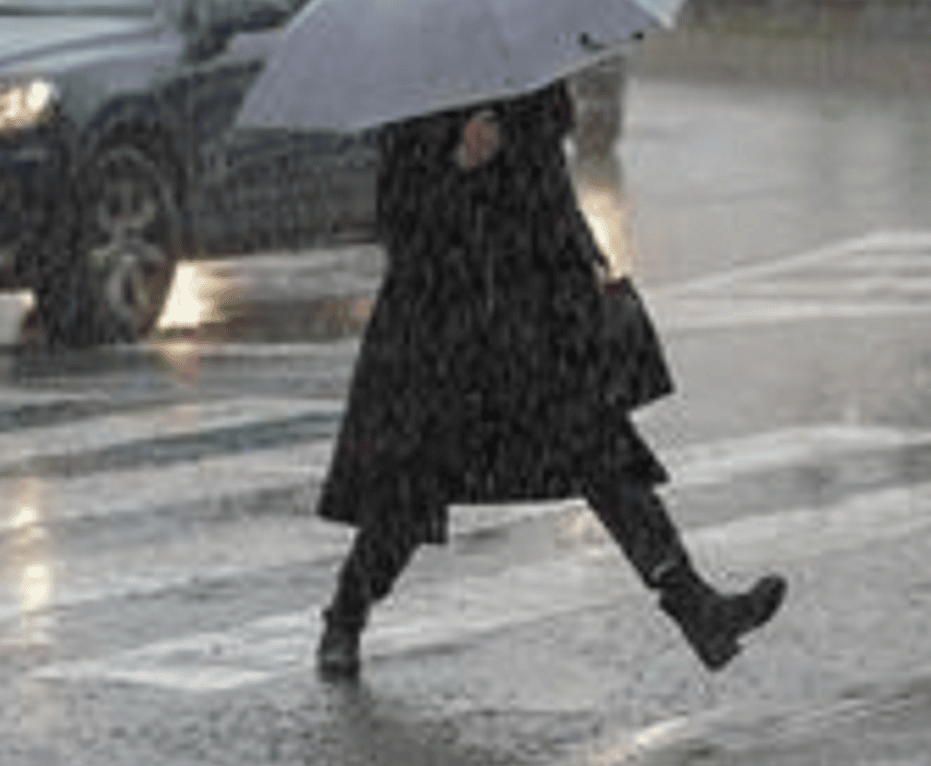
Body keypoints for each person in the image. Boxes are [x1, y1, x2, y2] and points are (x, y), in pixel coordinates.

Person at [314, 80, 785, 680]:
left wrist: (582, 249)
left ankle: (697, 609)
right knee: (410, 487)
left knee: (605, 460)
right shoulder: (418, 95)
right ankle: (345, 617)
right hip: (441, 330)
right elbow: (398, 223)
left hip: (534, 319)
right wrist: (458, 162)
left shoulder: (524, 79)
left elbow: (547, 183)